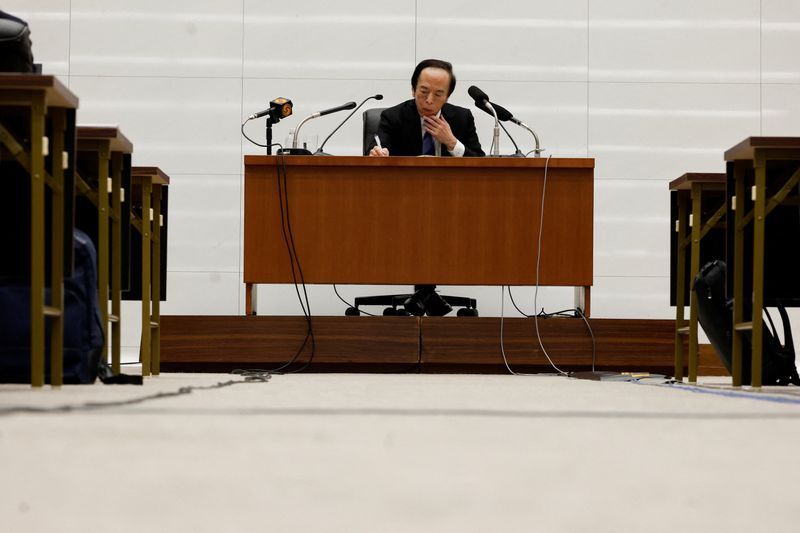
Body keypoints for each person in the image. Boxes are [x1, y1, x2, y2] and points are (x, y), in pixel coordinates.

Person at [368, 59, 484, 157]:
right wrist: (377, 154)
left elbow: (480, 163)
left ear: (447, 97)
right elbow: (372, 153)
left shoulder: (463, 118)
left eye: (438, 94)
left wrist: (452, 142)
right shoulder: (393, 117)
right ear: (413, 90)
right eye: (424, 91)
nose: (429, 100)